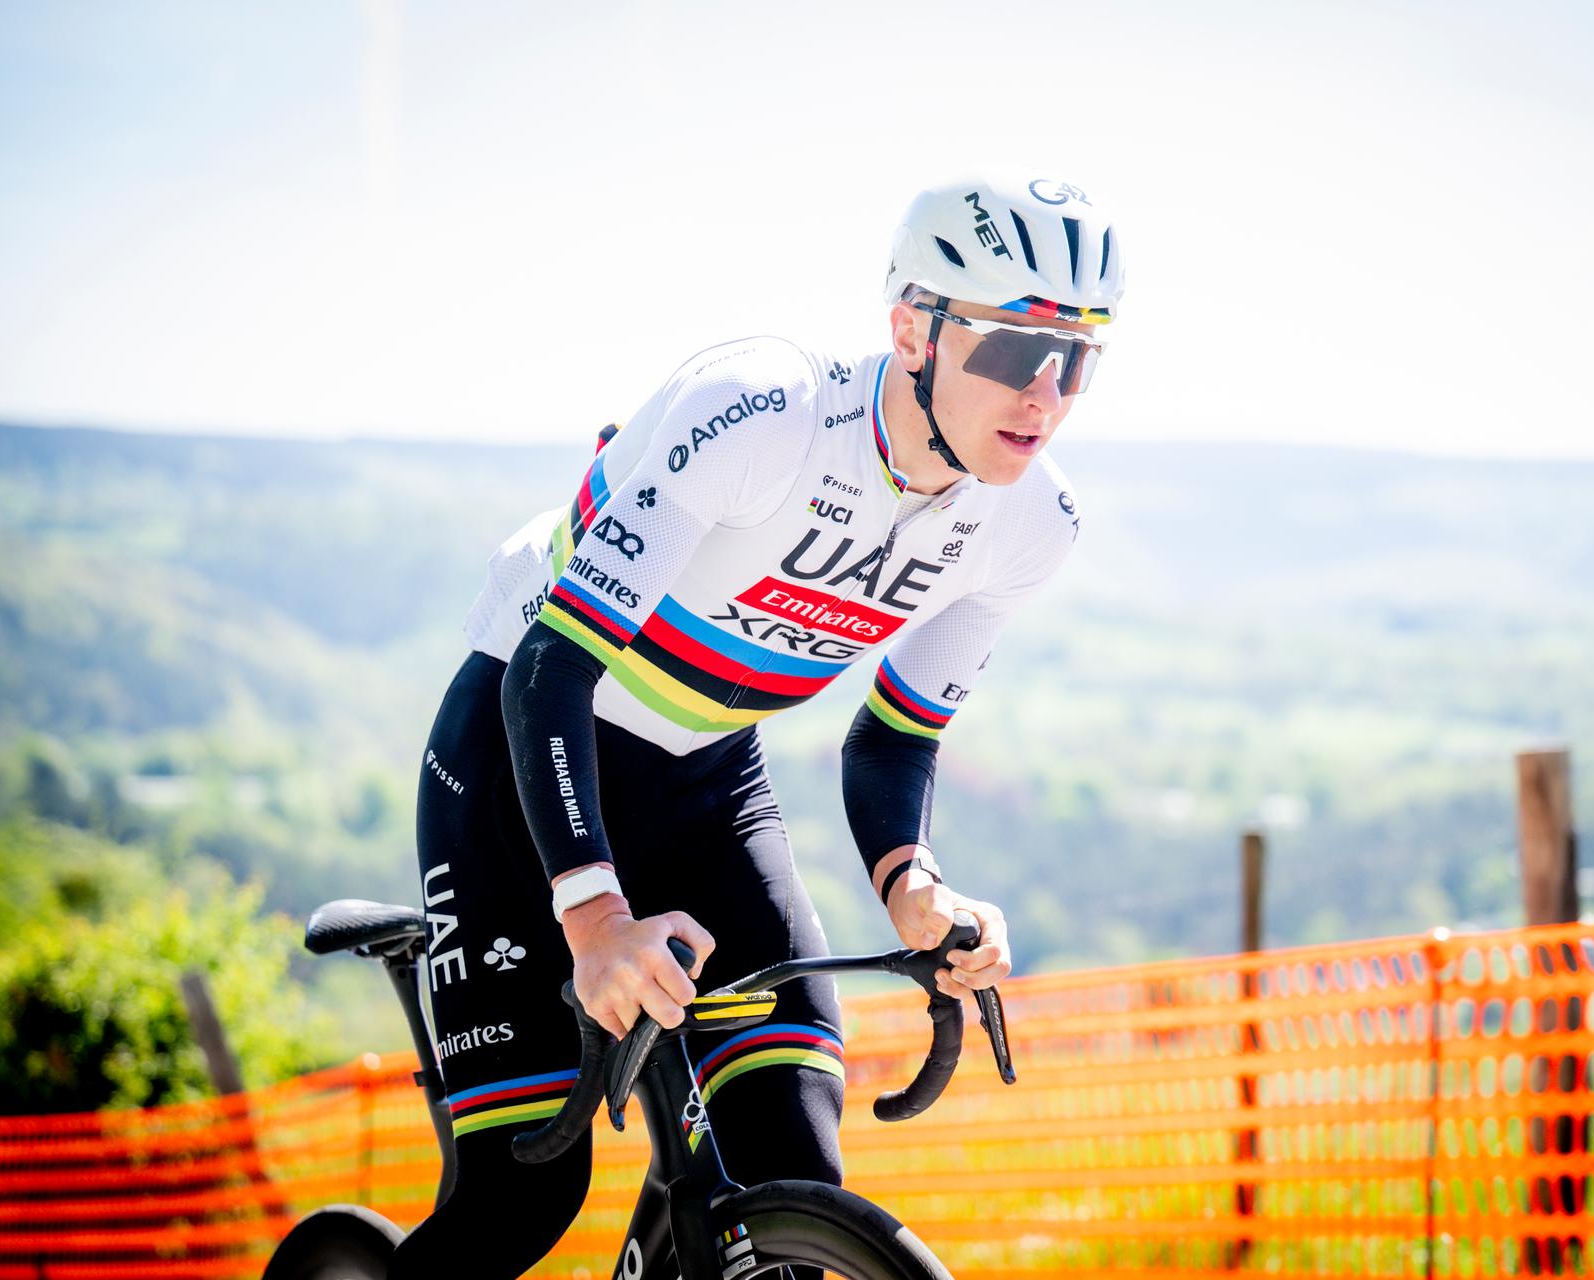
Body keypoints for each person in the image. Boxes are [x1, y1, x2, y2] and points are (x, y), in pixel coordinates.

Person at [394, 174, 1125, 1276]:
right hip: (523, 758)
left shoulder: (1027, 520)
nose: (1050, 392)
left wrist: (913, 884)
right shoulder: (762, 414)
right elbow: (550, 665)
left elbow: (892, 738)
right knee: (523, 1203)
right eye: (1019, 350)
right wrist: (592, 920)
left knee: (794, 1170)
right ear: (914, 329)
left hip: (703, 779)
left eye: (1081, 357)